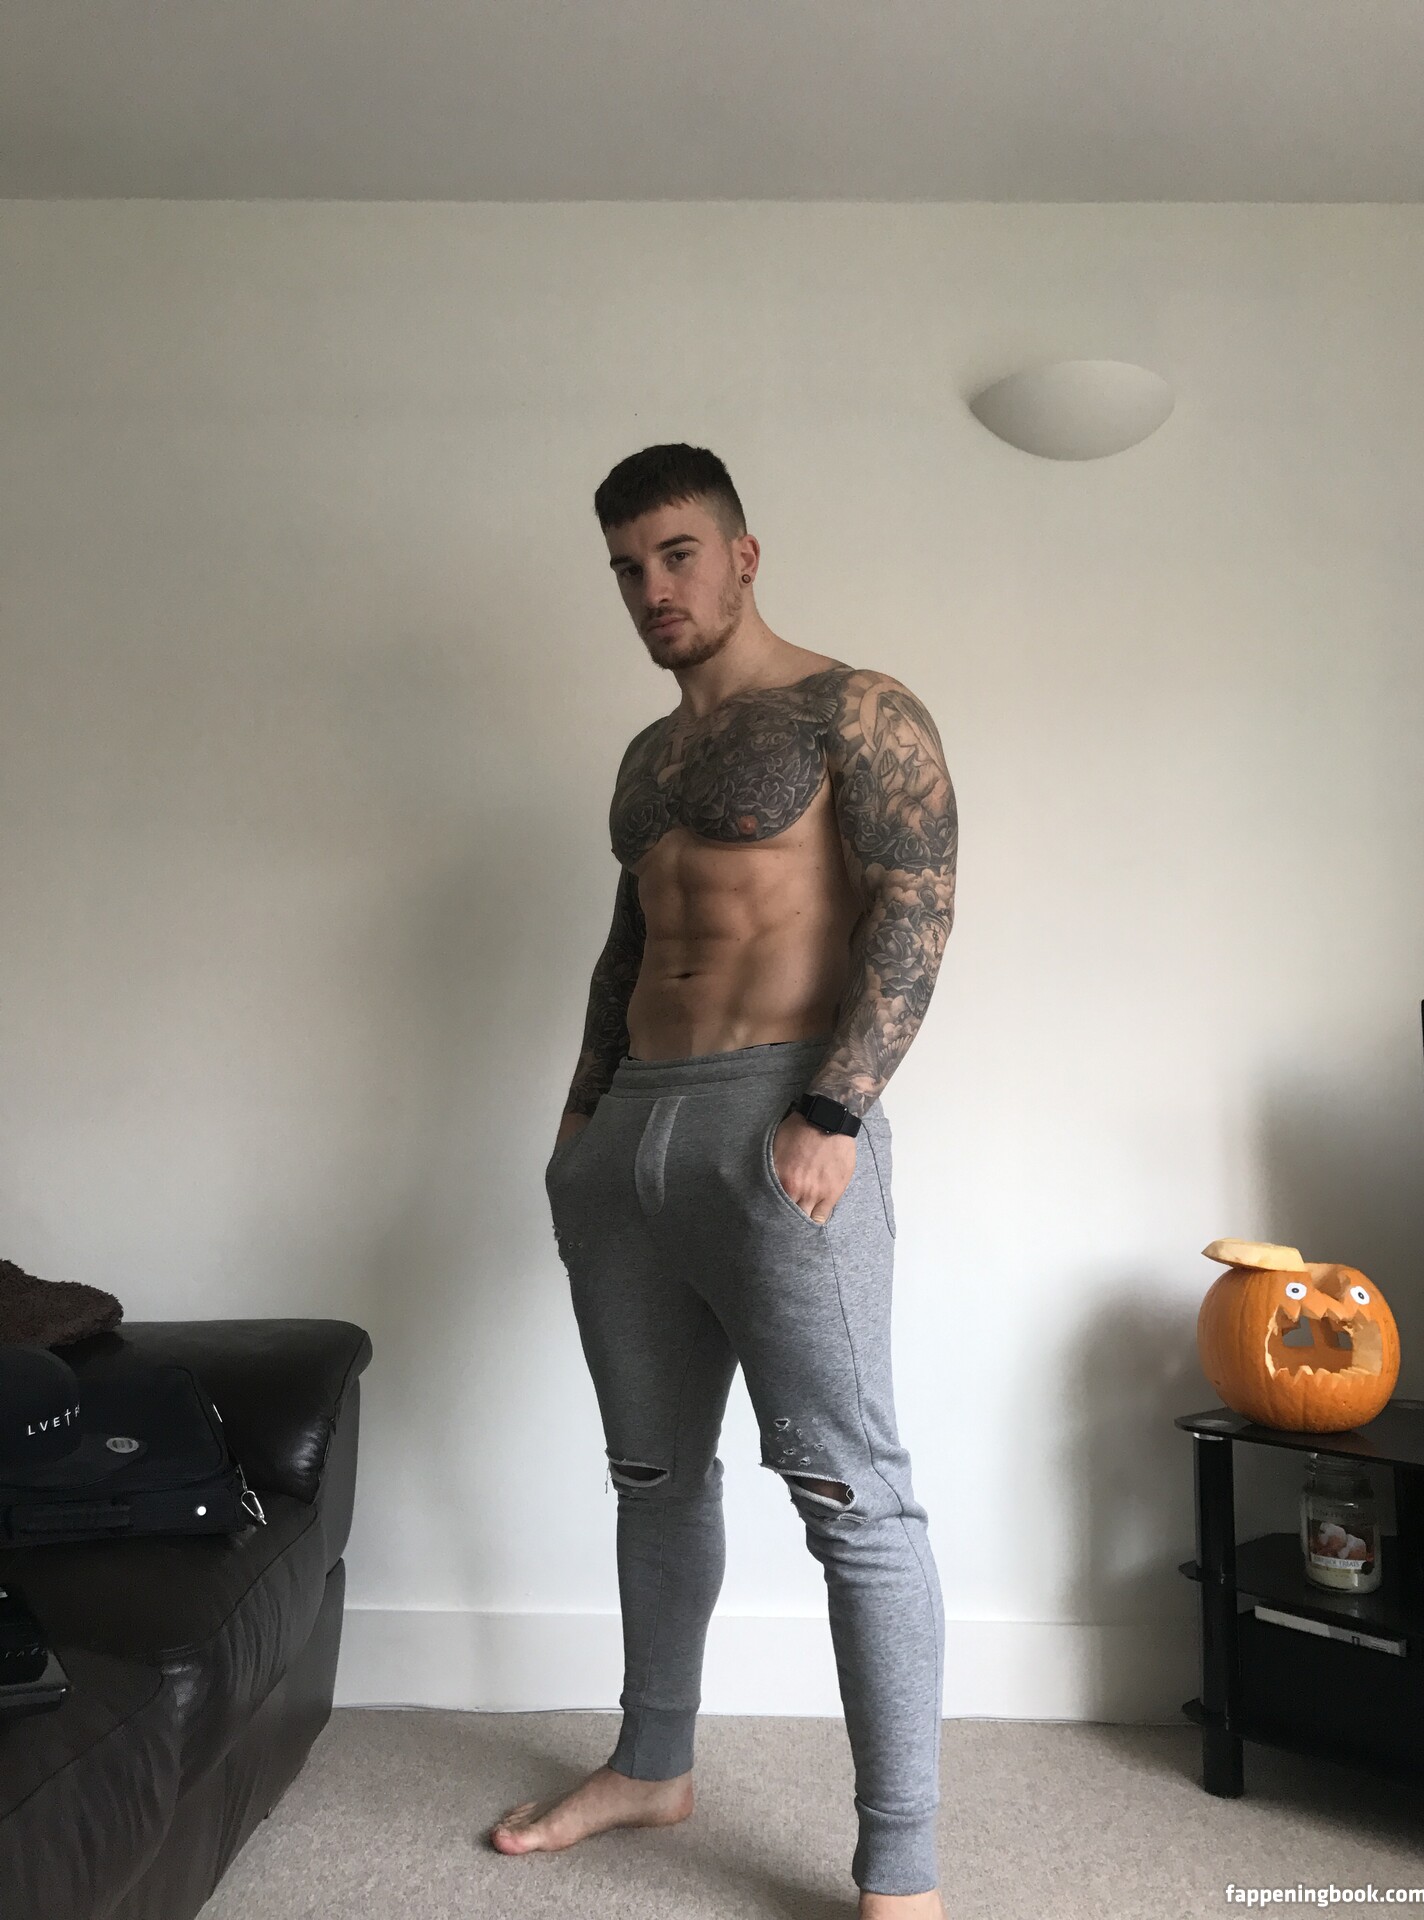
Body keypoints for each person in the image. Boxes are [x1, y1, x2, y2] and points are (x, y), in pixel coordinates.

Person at [490, 443, 956, 1919]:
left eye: (677, 554)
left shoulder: (854, 708)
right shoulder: (647, 759)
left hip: (779, 1120)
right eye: (628, 567)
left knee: (851, 1495)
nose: (653, 588)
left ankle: (902, 1874)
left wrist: (835, 1108)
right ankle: (652, 1764)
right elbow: (629, 945)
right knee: (651, 1475)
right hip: (629, 1137)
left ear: (743, 555)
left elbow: (918, 906)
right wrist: (578, 1128)